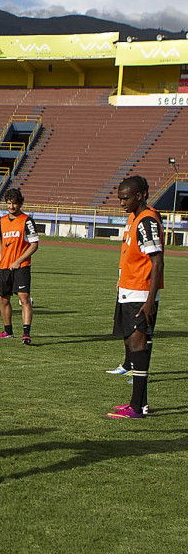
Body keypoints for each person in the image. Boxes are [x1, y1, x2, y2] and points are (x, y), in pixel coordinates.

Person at [108, 176, 164, 419]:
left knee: (138, 345)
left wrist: (150, 300)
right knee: (134, 344)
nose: (122, 202)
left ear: (139, 195)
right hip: (128, 290)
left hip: (140, 293)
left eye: (126, 198)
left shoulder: (147, 220)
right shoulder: (134, 218)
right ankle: (139, 404)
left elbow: (157, 261)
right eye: (120, 198)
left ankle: (137, 407)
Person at [0, 189, 39, 344]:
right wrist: (0, 255)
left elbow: (34, 245)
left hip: (21, 266)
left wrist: (19, 260)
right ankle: (7, 331)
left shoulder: (27, 221)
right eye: (9, 203)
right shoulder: (1, 221)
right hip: (4, 266)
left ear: (20, 203)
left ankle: (26, 333)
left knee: (24, 298)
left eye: (15, 203)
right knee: (3, 299)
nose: (11, 206)